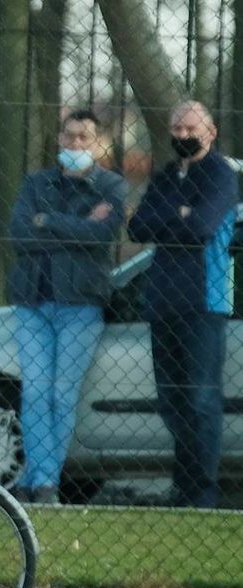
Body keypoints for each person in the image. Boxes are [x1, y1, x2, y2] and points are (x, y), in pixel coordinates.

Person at [7, 110, 127, 505]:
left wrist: (48, 220)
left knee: (62, 393)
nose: (76, 144)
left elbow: (102, 236)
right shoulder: (36, 181)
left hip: (81, 304)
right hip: (33, 302)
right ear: (60, 139)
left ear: (98, 143)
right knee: (36, 392)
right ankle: (44, 483)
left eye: (85, 138)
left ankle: (39, 480)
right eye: (70, 136)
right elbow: (20, 235)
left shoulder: (112, 186)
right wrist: (74, 227)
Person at [129, 100, 237, 509]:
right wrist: (178, 214)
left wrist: (170, 217)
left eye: (191, 128)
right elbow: (138, 225)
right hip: (163, 300)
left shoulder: (221, 175)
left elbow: (202, 226)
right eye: (176, 128)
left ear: (210, 131)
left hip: (204, 301)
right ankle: (183, 486)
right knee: (171, 399)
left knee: (201, 400)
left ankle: (202, 492)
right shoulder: (164, 176)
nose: (183, 136)